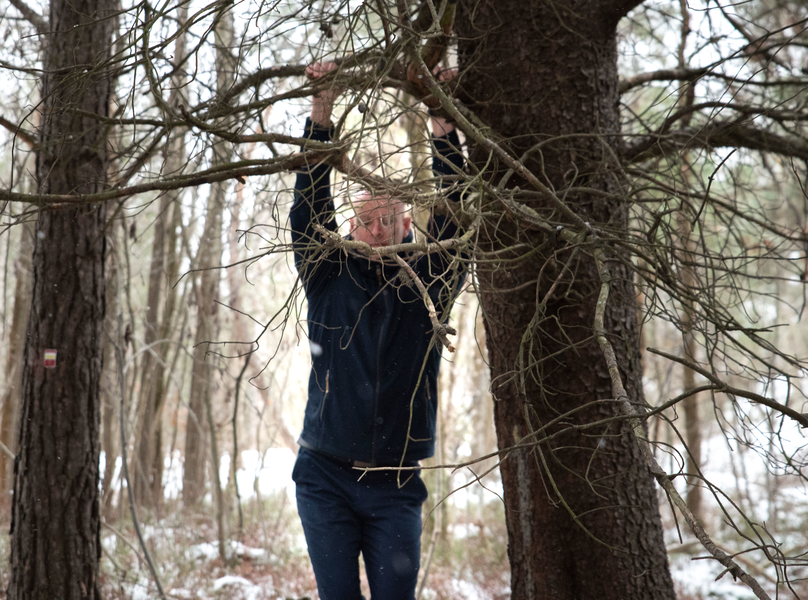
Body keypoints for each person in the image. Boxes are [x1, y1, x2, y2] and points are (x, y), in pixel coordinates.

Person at [289, 61, 465, 600]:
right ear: (350, 226)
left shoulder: (431, 278)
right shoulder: (329, 273)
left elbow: (455, 209)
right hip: (325, 476)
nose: (376, 230)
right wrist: (322, 110)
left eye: (388, 220)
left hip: (395, 482)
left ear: (407, 225)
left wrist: (440, 118)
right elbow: (308, 206)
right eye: (366, 220)